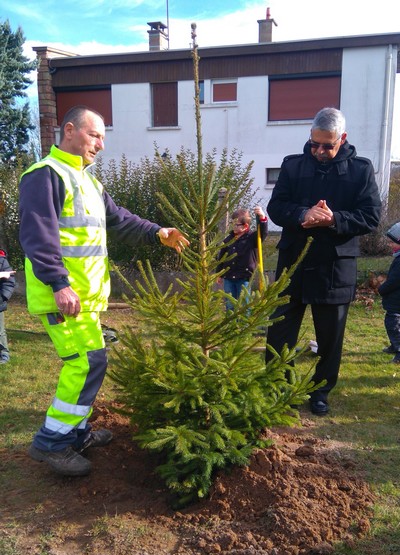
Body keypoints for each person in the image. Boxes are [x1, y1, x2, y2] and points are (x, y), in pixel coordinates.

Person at [19, 105, 190, 477]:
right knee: (86, 364)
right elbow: (37, 236)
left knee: (92, 363)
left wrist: (157, 231)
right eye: (95, 135)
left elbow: (120, 218)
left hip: (84, 300)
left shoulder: (89, 182)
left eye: (102, 138)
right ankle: (52, 442)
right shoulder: (45, 176)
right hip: (63, 297)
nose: (101, 144)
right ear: (69, 131)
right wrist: (59, 284)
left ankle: (76, 433)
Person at [266, 107, 382, 416]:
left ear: (342, 139)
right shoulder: (293, 166)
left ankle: (320, 393)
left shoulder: (361, 170)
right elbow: (276, 207)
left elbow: (370, 216)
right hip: (293, 265)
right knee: (279, 333)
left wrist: (334, 219)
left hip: (334, 267)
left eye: (327, 145)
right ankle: (280, 388)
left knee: (330, 338)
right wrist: (303, 213)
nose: (319, 151)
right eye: (314, 143)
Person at [217, 206, 268, 311]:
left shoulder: (252, 238)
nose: (233, 226)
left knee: (244, 304)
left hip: (244, 277)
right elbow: (222, 257)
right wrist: (219, 273)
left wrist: (262, 218)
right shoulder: (228, 239)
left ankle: (243, 325)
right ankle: (231, 325)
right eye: (232, 223)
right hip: (229, 277)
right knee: (230, 304)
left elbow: (262, 233)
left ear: (245, 226)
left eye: (236, 224)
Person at [378, 221, 400, 363]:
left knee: (393, 325)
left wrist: (382, 289)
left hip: (396, 300)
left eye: (392, 242)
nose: (389, 245)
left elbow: (394, 281)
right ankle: (394, 345)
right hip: (395, 300)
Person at [0, 249, 16, 364]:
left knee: (0, 331)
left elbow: (9, 282)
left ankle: (4, 353)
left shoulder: (1, 260)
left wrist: (2, 297)